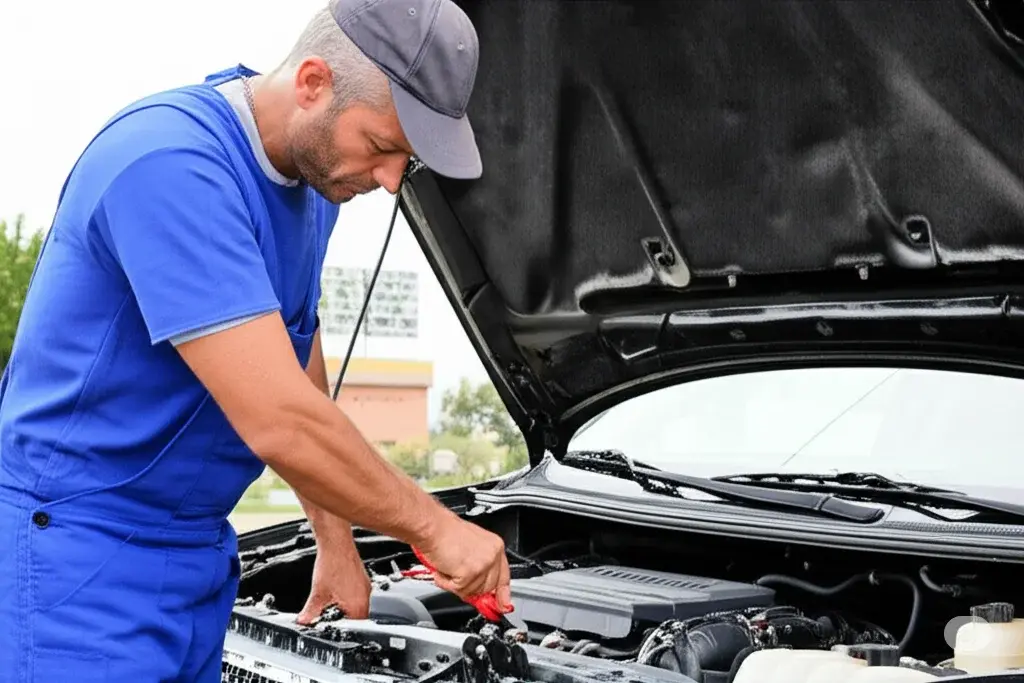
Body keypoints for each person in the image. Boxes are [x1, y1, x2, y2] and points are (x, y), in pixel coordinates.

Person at [0, 0, 511, 680]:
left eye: (406, 162)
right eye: (384, 147)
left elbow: (298, 358)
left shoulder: (311, 187)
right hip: (76, 560)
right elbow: (280, 419)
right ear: (312, 83)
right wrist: (435, 527)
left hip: (194, 556)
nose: (391, 182)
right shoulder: (169, 164)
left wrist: (335, 541)